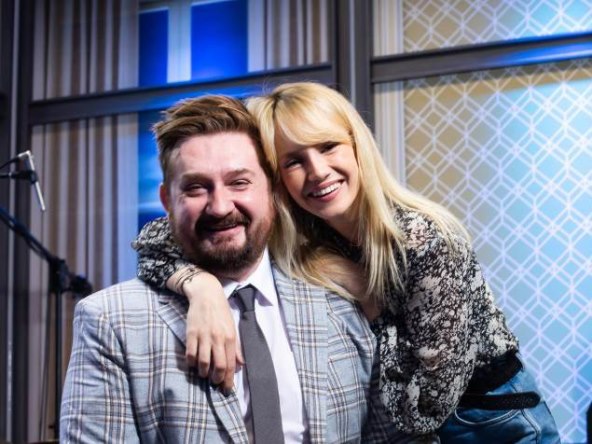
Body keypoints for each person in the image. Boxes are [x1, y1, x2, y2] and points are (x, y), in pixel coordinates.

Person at [134, 82, 561, 443]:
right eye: (293, 161)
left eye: (328, 146)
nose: (317, 171)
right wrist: (201, 288)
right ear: (276, 179)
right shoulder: (305, 234)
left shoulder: (424, 241)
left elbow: (424, 409)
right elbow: (154, 239)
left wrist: (372, 309)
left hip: (495, 420)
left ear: (357, 145)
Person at [60, 95, 405, 443]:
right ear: (167, 201)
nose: (221, 207)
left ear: (272, 190)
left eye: (239, 182)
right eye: (196, 187)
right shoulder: (109, 322)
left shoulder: (343, 298)